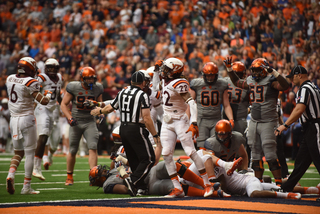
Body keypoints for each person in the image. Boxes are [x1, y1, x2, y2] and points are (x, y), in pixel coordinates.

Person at [152, 58, 242, 198]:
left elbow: (192, 103)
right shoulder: (165, 80)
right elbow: (155, 88)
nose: (165, 71)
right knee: (166, 154)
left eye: (167, 69)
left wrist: (193, 123)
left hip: (180, 120)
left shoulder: (179, 83)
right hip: (167, 122)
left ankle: (207, 185)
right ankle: (177, 188)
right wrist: (156, 72)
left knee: (191, 152)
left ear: (175, 71)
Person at [91, 70, 160, 197]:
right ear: (143, 82)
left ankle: (141, 188)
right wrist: (155, 135)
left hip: (123, 128)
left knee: (134, 161)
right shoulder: (142, 95)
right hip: (136, 129)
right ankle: (132, 181)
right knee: (149, 159)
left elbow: (110, 108)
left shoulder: (122, 91)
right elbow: (146, 118)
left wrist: (100, 110)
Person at [224, 57, 290, 186]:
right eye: (253, 70)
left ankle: (278, 183)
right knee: (255, 154)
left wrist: (275, 72)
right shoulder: (250, 80)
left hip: (268, 121)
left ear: (265, 70)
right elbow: (237, 82)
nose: (255, 73)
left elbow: (285, 86)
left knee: (270, 154)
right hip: (254, 121)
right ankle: (258, 182)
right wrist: (229, 69)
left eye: (258, 70)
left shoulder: (271, 81)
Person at [5, 57, 52, 194]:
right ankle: (26, 186)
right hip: (27, 119)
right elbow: (42, 101)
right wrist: (48, 95)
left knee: (18, 152)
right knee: (30, 153)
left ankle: (11, 174)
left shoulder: (10, 78)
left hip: (13, 120)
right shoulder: (31, 82)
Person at [275, 65, 320, 195]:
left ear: (299, 75)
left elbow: (299, 109)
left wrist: (285, 125)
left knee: (318, 159)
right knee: (300, 162)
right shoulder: (314, 88)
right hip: (311, 128)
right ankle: (287, 188)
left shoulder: (304, 89)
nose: (291, 80)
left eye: (292, 76)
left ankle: (287, 187)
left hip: (314, 127)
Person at [60, 67, 104, 186]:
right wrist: (70, 117)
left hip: (90, 121)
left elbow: (100, 104)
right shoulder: (73, 87)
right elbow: (63, 104)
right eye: (88, 78)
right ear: (82, 78)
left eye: (92, 78)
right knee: (73, 149)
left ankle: (93, 176)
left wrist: (101, 114)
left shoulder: (98, 88)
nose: (91, 81)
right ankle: (69, 177)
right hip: (76, 120)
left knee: (93, 147)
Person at [190, 62, 234, 150]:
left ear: (216, 75)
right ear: (203, 75)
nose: (210, 78)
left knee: (215, 146)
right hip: (201, 120)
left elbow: (226, 105)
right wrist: (189, 120)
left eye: (212, 75)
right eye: (208, 75)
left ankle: (215, 164)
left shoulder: (222, 84)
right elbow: (190, 103)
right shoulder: (197, 84)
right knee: (202, 148)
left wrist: (231, 119)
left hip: (216, 119)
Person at [33, 58, 63, 181]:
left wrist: (63, 107)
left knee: (54, 139)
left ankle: (47, 157)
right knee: (44, 135)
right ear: (46, 68)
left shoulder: (60, 77)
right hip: (41, 107)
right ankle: (36, 167)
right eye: (49, 67)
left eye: (53, 68)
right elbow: (34, 92)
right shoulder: (42, 78)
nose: (51, 70)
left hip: (53, 109)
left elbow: (59, 94)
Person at [222, 62, 250, 136]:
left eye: (239, 74)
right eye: (235, 74)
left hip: (236, 118)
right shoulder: (247, 84)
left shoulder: (224, 81)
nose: (237, 76)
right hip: (230, 117)